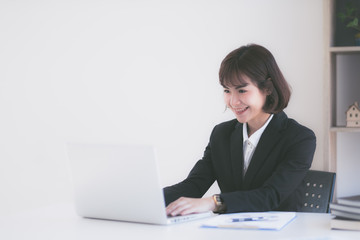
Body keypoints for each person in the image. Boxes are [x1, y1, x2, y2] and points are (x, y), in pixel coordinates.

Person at [164, 44, 316, 216]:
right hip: (231, 231)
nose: (233, 101)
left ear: (267, 88)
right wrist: (149, 198)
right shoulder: (221, 134)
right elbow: (194, 185)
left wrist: (214, 202)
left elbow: (270, 196)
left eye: (242, 90)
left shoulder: (299, 138)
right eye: (227, 91)